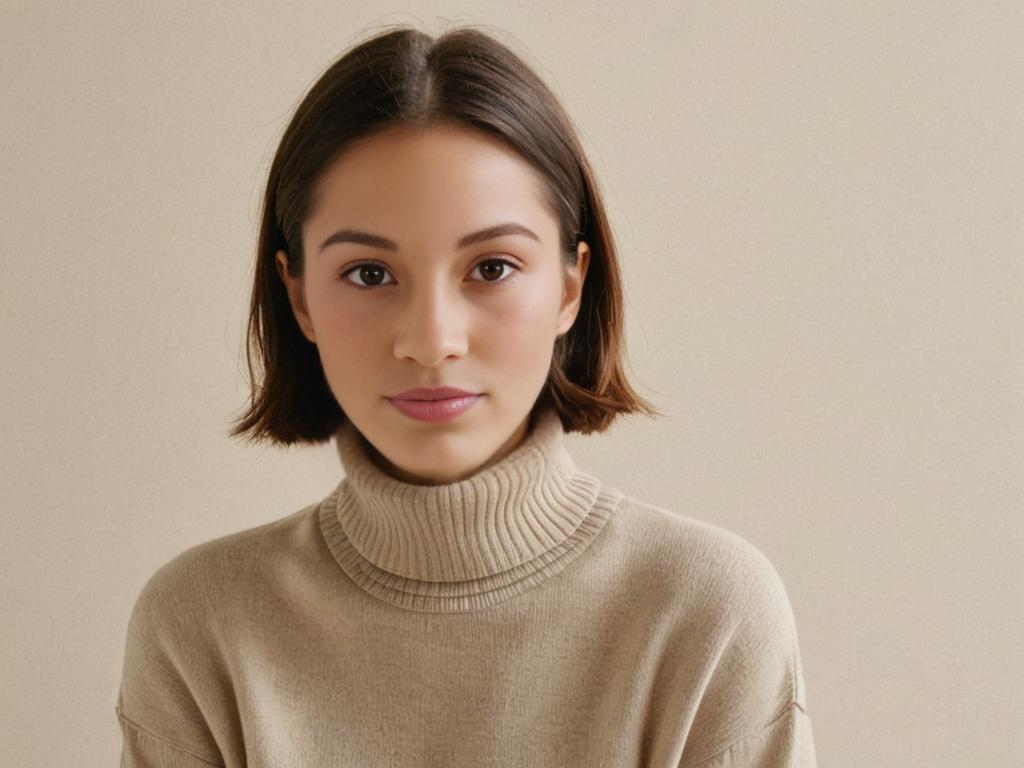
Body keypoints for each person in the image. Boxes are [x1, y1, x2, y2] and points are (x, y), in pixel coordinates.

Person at [113, 22, 817, 768]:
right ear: (299, 298)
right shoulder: (202, 623)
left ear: (571, 286)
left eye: (492, 268)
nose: (431, 339)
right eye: (369, 275)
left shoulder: (705, 612)